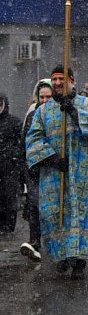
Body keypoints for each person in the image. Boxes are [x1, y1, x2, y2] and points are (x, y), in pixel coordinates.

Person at [25, 65, 88, 279]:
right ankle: (61, 256)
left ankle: (78, 260)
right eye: (54, 80)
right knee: (55, 215)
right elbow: (33, 139)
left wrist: (74, 112)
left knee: (80, 216)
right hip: (54, 173)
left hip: (83, 173)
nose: (58, 83)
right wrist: (51, 157)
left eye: (62, 79)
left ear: (71, 81)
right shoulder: (42, 111)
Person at [19, 79, 52, 262]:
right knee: (34, 205)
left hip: (52, 167)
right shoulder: (32, 115)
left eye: (49, 97)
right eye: (42, 97)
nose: (45, 100)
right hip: (34, 168)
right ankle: (34, 242)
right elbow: (25, 141)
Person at [0, 92, 26, 234]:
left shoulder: (14, 122)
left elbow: (21, 143)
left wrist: (14, 156)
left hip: (10, 167)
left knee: (9, 196)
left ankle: (8, 226)